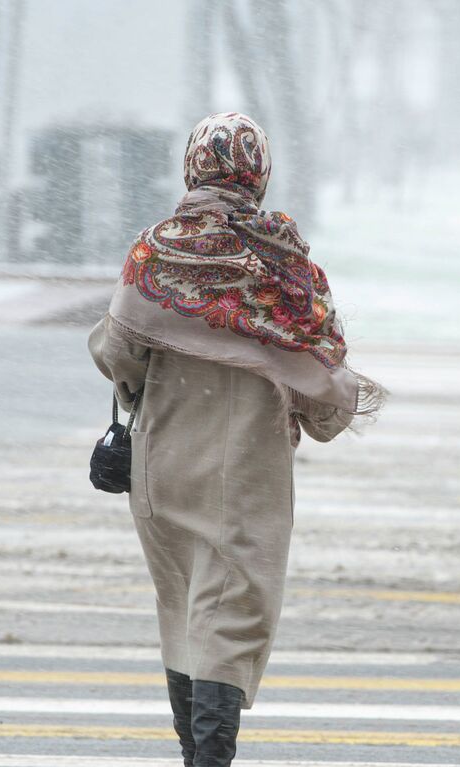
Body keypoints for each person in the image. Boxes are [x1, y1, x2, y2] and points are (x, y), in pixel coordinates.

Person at [88, 112, 382, 766]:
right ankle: (209, 759)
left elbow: (118, 352)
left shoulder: (155, 252)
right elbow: (327, 401)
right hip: (247, 475)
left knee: (183, 610)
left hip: (164, 468)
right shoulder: (286, 270)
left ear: (193, 166)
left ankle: (195, 752)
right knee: (230, 619)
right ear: (259, 174)